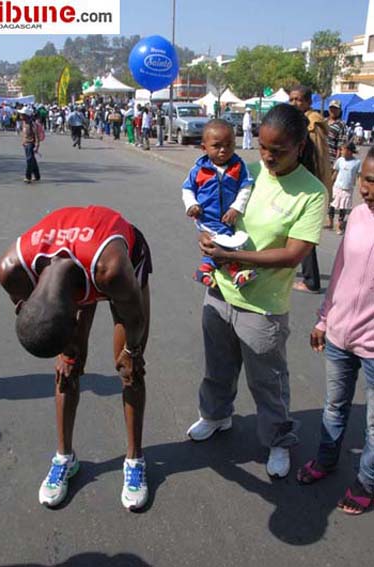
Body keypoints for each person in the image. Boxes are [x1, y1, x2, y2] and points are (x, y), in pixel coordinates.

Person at [186, 104, 326, 479]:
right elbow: (213, 209)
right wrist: (206, 234)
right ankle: (216, 416)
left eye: (277, 151)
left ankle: (279, 440)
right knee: (218, 367)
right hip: (220, 290)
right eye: (262, 147)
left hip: (263, 306)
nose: (267, 157)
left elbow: (293, 255)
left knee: (267, 382)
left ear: (299, 147)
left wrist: (234, 255)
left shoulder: (312, 193)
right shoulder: (246, 171)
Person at [0, 205, 152, 511]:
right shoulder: (11, 270)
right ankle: (64, 457)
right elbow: (24, 310)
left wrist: (133, 351)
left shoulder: (113, 271)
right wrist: (68, 352)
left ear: (75, 312)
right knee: (67, 368)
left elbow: (136, 319)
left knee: (130, 369)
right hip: (78, 262)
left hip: (109, 255)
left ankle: (135, 459)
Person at [297, 147, 374, 515]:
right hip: (340, 335)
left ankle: (366, 482)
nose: (367, 189)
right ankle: (326, 460)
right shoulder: (357, 215)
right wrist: (323, 319)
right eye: (366, 180)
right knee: (334, 407)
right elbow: (341, 270)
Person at [182, 119, 255, 287]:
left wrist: (235, 208)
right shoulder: (199, 169)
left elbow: (246, 187)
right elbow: (187, 189)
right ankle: (234, 271)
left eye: (229, 145)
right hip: (207, 216)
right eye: (216, 146)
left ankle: (206, 269)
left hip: (228, 217)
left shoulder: (238, 166)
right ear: (204, 148)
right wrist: (192, 205)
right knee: (222, 241)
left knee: (224, 242)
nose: (223, 150)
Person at [289, 85, 331, 294]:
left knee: (303, 232)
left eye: (299, 99)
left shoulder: (312, 125)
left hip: (306, 184)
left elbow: (317, 159)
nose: (295, 103)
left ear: (308, 102)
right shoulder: (298, 121)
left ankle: (311, 281)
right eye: (292, 99)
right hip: (296, 182)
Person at [326, 142, 361, 234]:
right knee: (332, 205)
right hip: (337, 187)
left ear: (349, 151)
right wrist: (330, 183)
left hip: (347, 189)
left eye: (342, 150)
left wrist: (361, 187)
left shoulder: (357, 162)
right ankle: (330, 223)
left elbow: (359, 176)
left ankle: (339, 225)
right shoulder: (340, 160)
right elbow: (335, 172)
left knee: (343, 207)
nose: (341, 151)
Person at [18, 107, 40, 184]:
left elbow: (36, 135)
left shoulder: (32, 123)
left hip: (31, 143)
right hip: (26, 143)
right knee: (32, 160)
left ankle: (28, 176)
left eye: (22, 114)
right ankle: (37, 175)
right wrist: (23, 141)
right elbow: (24, 133)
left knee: (29, 160)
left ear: (26, 115)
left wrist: (37, 145)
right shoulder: (24, 122)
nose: (20, 115)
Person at [325, 100, 347, 165]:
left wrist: (336, 162)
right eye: (331, 108)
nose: (333, 110)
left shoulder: (341, 125)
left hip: (330, 160)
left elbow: (341, 146)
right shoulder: (323, 121)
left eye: (335, 109)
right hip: (318, 156)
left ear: (339, 110)